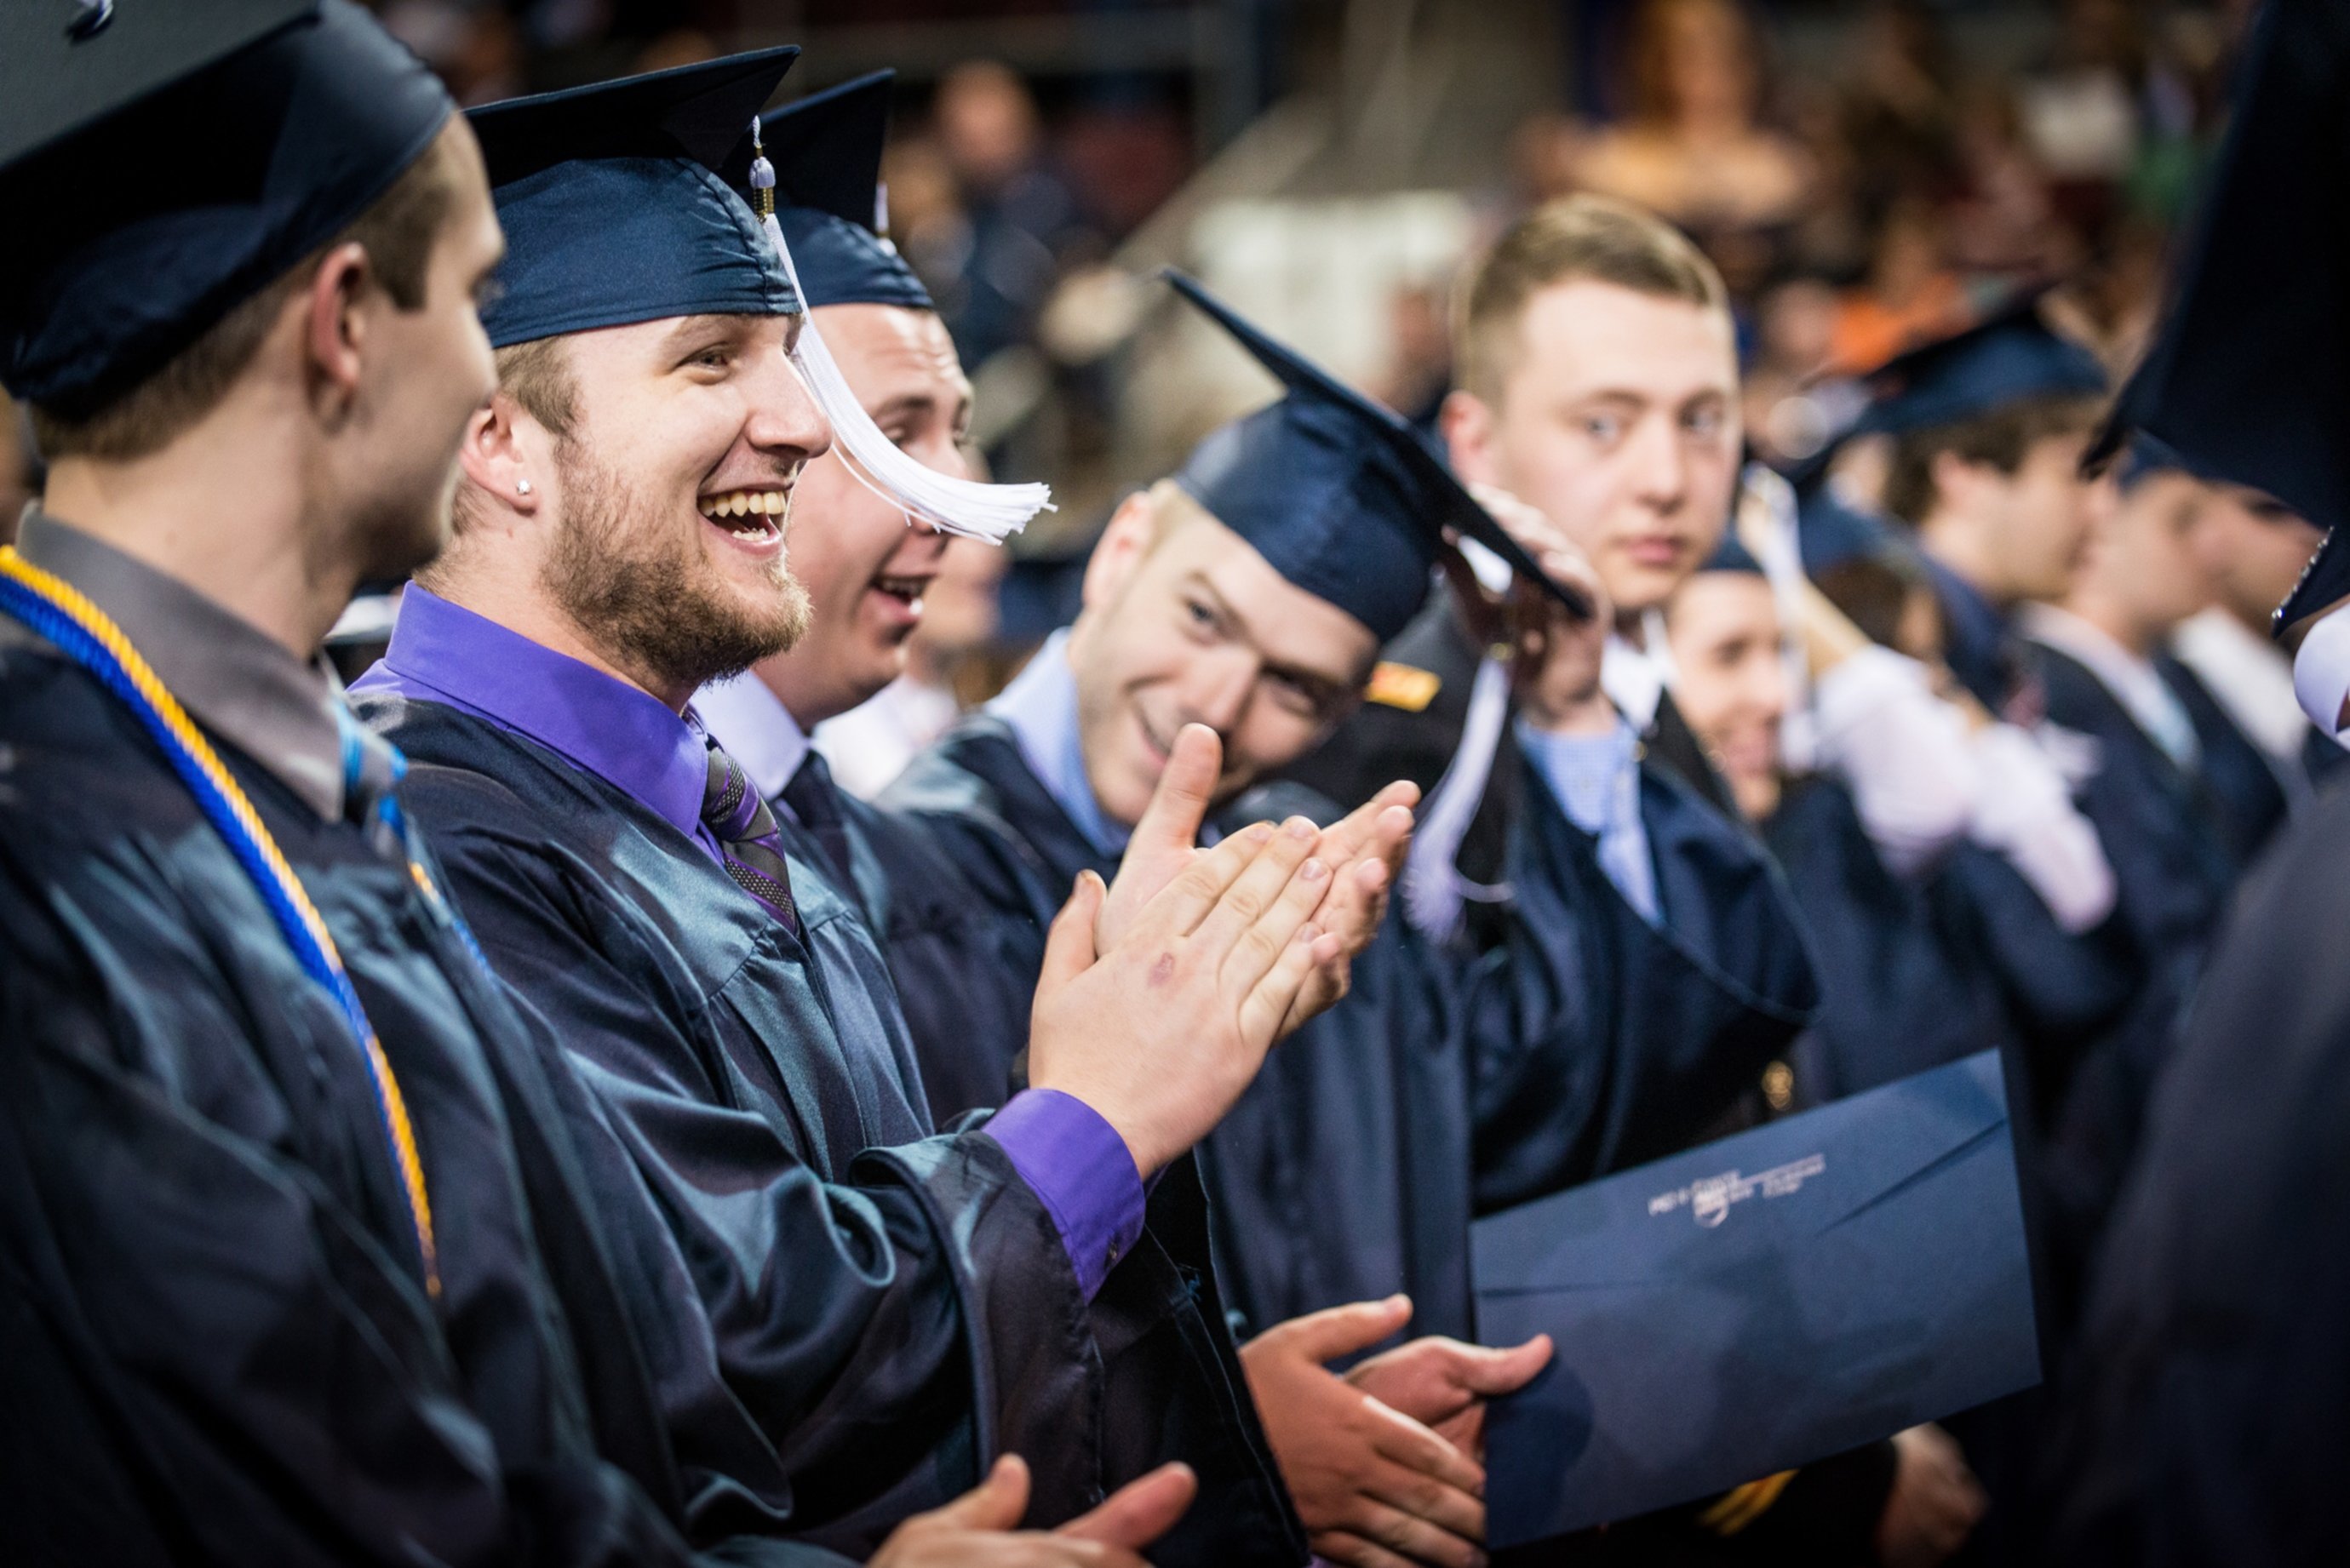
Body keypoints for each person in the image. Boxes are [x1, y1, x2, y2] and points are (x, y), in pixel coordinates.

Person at [348, 53, 1401, 1565]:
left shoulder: (732, 824)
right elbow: (744, 1366)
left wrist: (1181, 1357)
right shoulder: (420, 848)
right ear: (496, 440)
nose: (801, 420)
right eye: (714, 358)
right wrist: (1090, 1116)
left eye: (791, 356)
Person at [696, 78, 1557, 1568]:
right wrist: (1217, 1422)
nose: (1216, 704)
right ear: (1133, 541)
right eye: (1207, 616)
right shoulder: (875, 866)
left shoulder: (1292, 879)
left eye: (1301, 683)